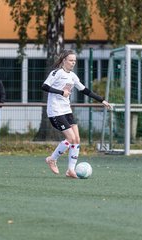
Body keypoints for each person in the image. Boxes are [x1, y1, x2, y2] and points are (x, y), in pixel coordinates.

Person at [42, 49, 112, 178]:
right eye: (70, 60)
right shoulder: (56, 73)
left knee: (77, 139)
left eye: (74, 60)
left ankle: (70, 170)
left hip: (66, 110)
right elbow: (45, 86)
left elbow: (85, 90)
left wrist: (102, 100)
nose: (73, 63)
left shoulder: (72, 76)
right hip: (55, 111)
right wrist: (61, 92)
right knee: (70, 138)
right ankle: (52, 159)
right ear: (64, 60)